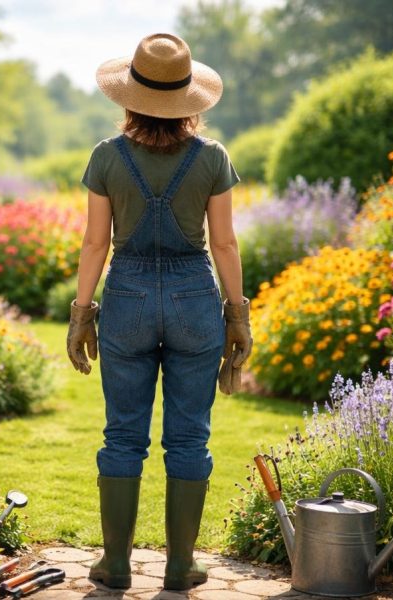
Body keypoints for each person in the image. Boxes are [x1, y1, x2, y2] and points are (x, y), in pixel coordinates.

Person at [65, 33, 252, 591]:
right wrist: (237, 314)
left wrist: (81, 313)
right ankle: (180, 566)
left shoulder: (107, 156)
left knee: (123, 435)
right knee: (190, 437)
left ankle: (115, 565)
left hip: (127, 297)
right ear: (188, 99)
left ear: (130, 96)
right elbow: (225, 245)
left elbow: (95, 244)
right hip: (195, 296)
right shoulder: (212, 157)